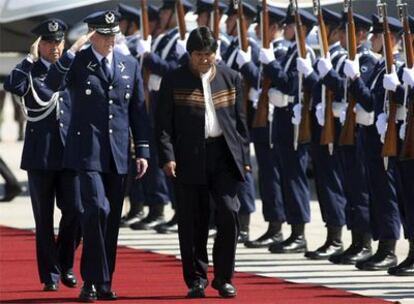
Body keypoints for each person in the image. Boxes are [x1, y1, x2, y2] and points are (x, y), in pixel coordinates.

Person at [45, 10, 150, 301]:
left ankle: (104, 282)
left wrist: (142, 150)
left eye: (113, 34)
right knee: (96, 211)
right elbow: (52, 83)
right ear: (92, 35)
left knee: (111, 219)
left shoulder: (129, 64)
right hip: (86, 153)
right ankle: (92, 281)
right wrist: (71, 51)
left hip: (117, 154)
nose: (110, 40)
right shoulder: (78, 62)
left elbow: (138, 112)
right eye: (103, 35)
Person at [156, 27, 250, 298]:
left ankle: (223, 278)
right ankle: (196, 279)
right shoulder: (174, 80)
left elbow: (241, 124)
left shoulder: (232, 78)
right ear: (189, 54)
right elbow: (163, 124)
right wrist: (168, 156)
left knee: (228, 213)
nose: (204, 59)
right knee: (192, 220)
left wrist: (243, 159)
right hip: (189, 157)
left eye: (208, 54)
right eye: (199, 55)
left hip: (224, 155)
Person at [4, 19, 82, 291]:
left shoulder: (72, 68)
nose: (55, 47)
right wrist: (29, 58)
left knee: (76, 210)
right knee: (44, 219)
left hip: (70, 152)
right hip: (41, 154)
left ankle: (65, 263)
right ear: (40, 45)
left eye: (59, 41)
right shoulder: (30, 71)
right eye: (49, 42)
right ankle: (50, 275)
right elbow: (12, 85)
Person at [344, 14, 403, 271]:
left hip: (387, 137)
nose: (372, 40)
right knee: (377, 191)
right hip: (373, 136)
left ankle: (389, 248)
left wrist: (355, 80)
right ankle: (381, 246)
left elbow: (369, 100)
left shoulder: (397, 66)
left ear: (390, 38)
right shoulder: (382, 67)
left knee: (386, 193)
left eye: (377, 36)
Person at [317, 12, 377, 265]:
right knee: (351, 188)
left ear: (359, 34)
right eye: (340, 32)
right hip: (345, 130)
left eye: (345, 32)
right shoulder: (346, 58)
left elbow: (352, 89)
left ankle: (364, 243)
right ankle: (355, 240)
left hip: (357, 132)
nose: (341, 37)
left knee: (360, 189)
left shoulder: (366, 60)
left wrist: (329, 76)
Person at [133, 0, 193, 232]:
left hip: (172, 105)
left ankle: (179, 210)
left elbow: (174, 72)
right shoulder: (162, 38)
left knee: (171, 158)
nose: (163, 15)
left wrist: (149, 57)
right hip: (155, 101)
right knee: (155, 155)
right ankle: (156, 207)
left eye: (167, 11)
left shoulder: (183, 40)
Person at [260, 6, 316, 254]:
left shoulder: (305, 54)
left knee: (295, 179)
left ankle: (299, 233)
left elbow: (290, 83)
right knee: (286, 176)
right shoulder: (292, 52)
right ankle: (293, 230)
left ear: (302, 29)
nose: (285, 30)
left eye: (290, 26)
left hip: (295, 124)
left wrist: (271, 64)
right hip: (283, 123)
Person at [296, 8, 348, 260]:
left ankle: (336, 237)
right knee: (324, 182)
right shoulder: (326, 58)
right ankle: (331, 234)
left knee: (331, 183)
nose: (320, 32)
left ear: (335, 32)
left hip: (333, 129)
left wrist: (314, 75)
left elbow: (340, 88)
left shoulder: (338, 57)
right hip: (319, 125)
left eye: (324, 27)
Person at [239, 4, 289, 249]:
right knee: (266, 176)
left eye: (261, 26)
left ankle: (277, 226)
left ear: (273, 28)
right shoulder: (268, 51)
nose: (257, 30)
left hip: (270, 121)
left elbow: (267, 82)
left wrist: (248, 65)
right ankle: (273, 224)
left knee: (271, 175)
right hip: (261, 119)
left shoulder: (280, 51)